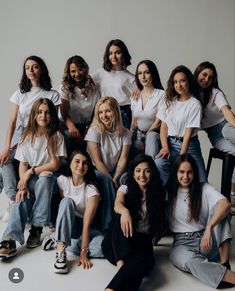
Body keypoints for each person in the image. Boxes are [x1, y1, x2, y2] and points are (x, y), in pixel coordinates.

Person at [0, 98, 66, 258]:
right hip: (33, 177)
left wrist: (31, 172)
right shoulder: (26, 136)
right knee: (21, 195)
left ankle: (37, 227)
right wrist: (23, 183)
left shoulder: (56, 136)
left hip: (53, 180)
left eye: (47, 112)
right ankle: (9, 238)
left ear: (52, 116)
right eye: (40, 112)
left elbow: (55, 164)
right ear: (34, 115)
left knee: (44, 177)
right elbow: (23, 164)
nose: (43, 115)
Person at [0, 55, 61, 221]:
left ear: (41, 69)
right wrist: (6, 147)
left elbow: (54, 121)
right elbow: (12, 122)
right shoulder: (20, 93)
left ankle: (28, 209)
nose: (31, 71)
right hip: (22, 134)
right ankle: (13, 198)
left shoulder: (52, 94)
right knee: (4, 161)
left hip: (44, 133)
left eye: (35, 67)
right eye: (27, 68)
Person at [167, 154, 235, 289]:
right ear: (175, 172)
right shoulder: (168, 191)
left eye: (189, 172)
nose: (185, 177)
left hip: (207, 241)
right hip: (182, 244)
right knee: (188, 261)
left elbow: (225, 204)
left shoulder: (203, 188)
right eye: (181, 172)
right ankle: (228, 276)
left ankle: (224, 264)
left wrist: (209, 228)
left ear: (194, 173)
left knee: (220, 209)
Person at [101, 153, 166, 291]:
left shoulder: (158, 192)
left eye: (146, 171)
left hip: (141, 243)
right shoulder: (125, 188)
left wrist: (154, 238)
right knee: (119, 216)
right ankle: (121, 265)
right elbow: (117, 204)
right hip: (118, 243)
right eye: (138, 171)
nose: (142, 175)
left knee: (145, 262)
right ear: (132, 173)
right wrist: (125, 211)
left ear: (152, 173)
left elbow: (161, 220)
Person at [85, 96, 131, 230]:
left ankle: (128, 222)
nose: (104, 115)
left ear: (115, 112)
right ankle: (109, 225)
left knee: (125, 179)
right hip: (96, 170)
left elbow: (123, 159)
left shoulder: (125, 133)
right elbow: (98, 161)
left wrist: (116, 178)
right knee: (105, 180)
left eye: (108, 111)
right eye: (100, 112)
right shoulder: (94, 131)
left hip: (116, 171)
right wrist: (111, 179)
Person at [155, 65, 207, 186]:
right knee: (167, 172)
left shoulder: (194, 104)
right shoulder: (169, 101)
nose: (179, 85)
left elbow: (188, 135)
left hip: (190, 146)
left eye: (182, 81)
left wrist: (182, 160)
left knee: (202, 183)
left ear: (189, 81)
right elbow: (164, 127)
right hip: (171, 144)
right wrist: (165, 147)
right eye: (175, 82)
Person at [53, 149, 103, 274]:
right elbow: (63, 210)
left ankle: (59, 240)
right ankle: (60, 251)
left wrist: (83, 253)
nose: (81, 166)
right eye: (77, 161)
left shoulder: (91, 189)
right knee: (66, 202)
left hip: (86, 227)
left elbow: (86, 225)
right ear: (70, 163)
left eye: (85, 163)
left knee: (100, 249)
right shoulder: (62, 180)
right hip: (70, 224)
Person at [194, 61, 235, 209]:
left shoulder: (215, 93)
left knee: (227, 130)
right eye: (204, 75)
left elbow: (227, 112)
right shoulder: (190, 94)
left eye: (210, 77)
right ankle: (233, 194)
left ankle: (232, 194)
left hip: (228, 126)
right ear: (197, 73)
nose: (207, 79)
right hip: (215, 135)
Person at [59, 55, 100, 156]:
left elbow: (96, 112)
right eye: (73, 71)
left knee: (93, 136)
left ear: (85, 69)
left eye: (80, 70)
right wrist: (72, 127)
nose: (77, 74)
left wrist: (89, 128)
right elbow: (63, 114)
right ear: (69, 72)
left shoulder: (93, 87)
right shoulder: (64, 88)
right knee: (70, 136)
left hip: (88, 125)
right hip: (68, 124)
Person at [93, 39, 136, 129]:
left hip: (123, 113)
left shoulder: (131, 78)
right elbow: (89, 89)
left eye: (117, 52)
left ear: (123, 54)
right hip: (105, 112)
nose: (114, 56)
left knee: (121, 141)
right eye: (110, 53)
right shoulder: (100, 73)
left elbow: (138, 101)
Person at [131, 60, 165, 157]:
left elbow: (158, 122)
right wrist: (129, 138)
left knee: (151, 139)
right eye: (140, 73)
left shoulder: (161, 95)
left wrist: (144, 139)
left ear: (153, 74)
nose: (143, 77)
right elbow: (134, 122)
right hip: (138, 135)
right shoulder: (136, 95)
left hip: (154, 135)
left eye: (147, 72)